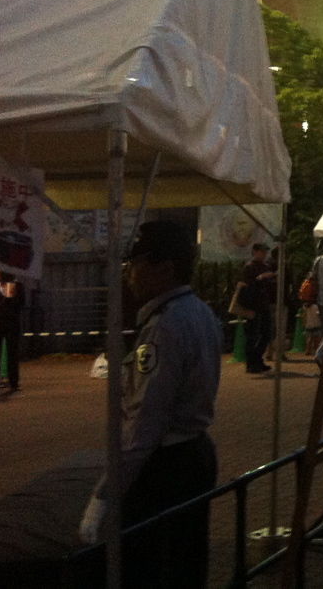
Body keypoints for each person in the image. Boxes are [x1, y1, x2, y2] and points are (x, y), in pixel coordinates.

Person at [79, 220, 221, 589]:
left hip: (165, 466)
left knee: (149, 566)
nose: (130, 274)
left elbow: (144, 424)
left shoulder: (163, 327)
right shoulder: (201, 312)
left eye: (137, 263)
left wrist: (104, 495)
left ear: (165, 268)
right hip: (195, 453)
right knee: (187, 561)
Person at [239, 243, 273, 373]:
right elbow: (248, 286)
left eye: (265, 252)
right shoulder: (249, 267)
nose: (264, 254)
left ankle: (257, 359)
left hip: (263, 304)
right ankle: (251, 363)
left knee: (267, 333)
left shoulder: (265, 266)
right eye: (261, 252)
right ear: (254, 252)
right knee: (252, 335)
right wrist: (260, 278)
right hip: (253, 305)